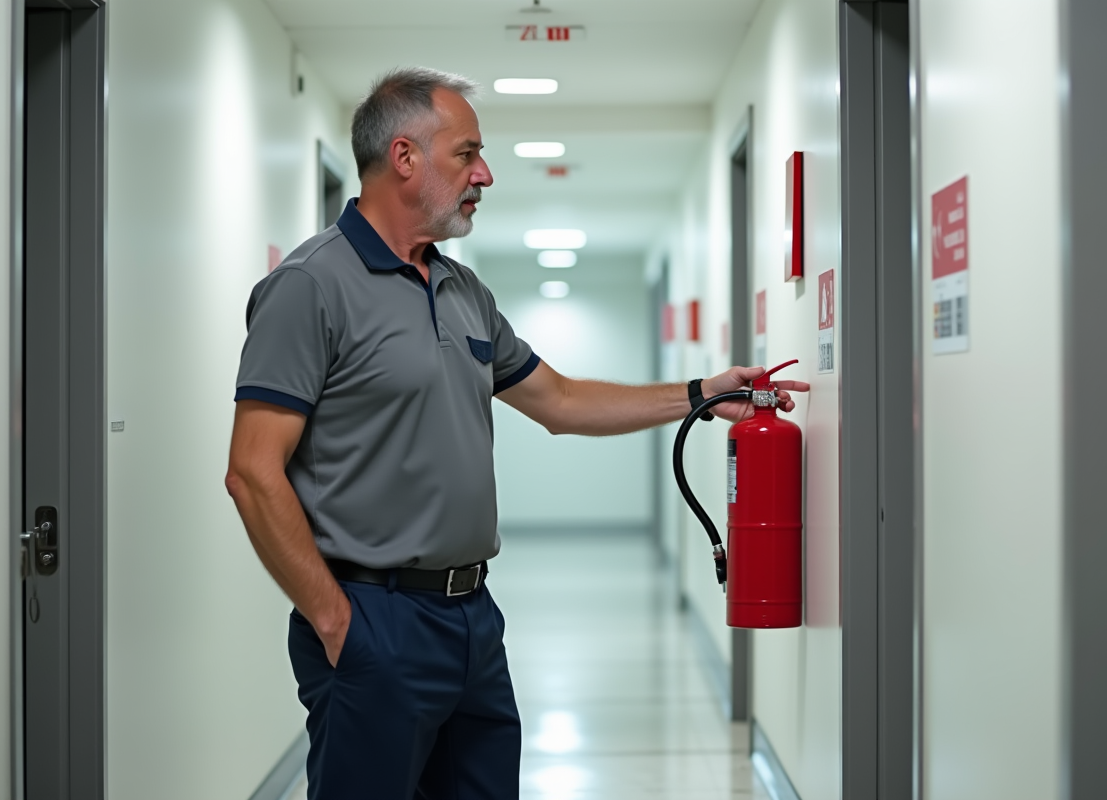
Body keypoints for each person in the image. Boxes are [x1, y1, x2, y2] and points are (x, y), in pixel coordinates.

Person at [224, 66, 809, 800]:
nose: (485, 174)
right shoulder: (311, 286)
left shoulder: (463, 290)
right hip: (374, 619)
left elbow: (560, 400)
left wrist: (698, 394)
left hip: (471, 618)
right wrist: (335, 620)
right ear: (404, 158)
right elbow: (251, 471)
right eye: (467, 154)